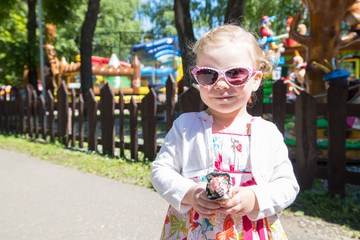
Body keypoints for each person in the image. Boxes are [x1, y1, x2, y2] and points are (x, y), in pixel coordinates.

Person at [151, 24, 300, 240]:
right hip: (193, 229)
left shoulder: (268, 133)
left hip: (250, 229)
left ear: (256, 80)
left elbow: (287, 184)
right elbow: (161, 171)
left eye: (235, 73)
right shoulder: (185, 127)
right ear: (197, 78)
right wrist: (190, 193)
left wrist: (254, 197)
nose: (221, 84)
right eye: (208, 75)